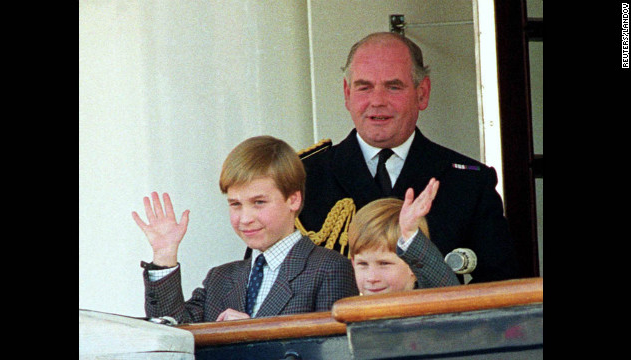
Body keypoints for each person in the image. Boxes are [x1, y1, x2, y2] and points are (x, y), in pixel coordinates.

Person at [297, 31, 520, 283]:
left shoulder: (468, 183)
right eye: (364, 87)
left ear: (422, 93)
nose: (377, 101)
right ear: (347, 94)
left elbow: (499, 292)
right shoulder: (303, 177)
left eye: (393, 87)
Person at [132, 135, 359, 324]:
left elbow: (330, 351)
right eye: (235, 204)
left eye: (259, 202)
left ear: (293, 200)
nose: (246, 219)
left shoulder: (329, 268)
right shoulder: (220, 279)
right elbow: (171, 335)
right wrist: (164, 257)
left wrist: (250, 335)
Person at [348, 178, 459, 295]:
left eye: (384, 263)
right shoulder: (346, 309)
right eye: (363, 264)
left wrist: (410, 235)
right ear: (353, 263)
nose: (371, 278)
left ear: (412, 265)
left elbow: (448, 293)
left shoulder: (429, 305)